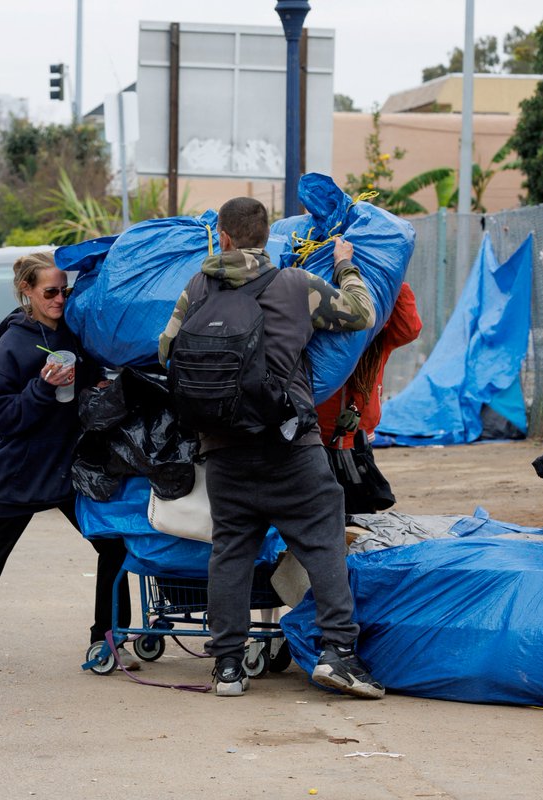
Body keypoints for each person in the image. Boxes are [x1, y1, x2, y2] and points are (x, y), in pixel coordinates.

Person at [158, 197, 385, 699]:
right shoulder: (295, 286)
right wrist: (345, 265)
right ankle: (338, 654)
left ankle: (228, 667)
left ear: (225, 236)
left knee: (231, 552)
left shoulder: (196, 287)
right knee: (322, 542)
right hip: (290, 447)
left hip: (221, 450)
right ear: (266, 237)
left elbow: (165, 349)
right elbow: (361, 314)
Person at [0, 251, 135, 669]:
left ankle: (109, 640)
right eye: (50, 291)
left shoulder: (74, 333)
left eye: (65, 291)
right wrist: (42, 387)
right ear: (26, 291)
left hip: (71, 466)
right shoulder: (13, 342)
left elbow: (90, 386)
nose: (60, 299)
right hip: (24, 466)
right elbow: (4, 417)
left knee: (114, 545)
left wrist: (96, 384)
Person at [317, 283, 422, 515]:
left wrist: (396, 280)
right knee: (318, 509)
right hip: (315, 437)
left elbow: (409, 329)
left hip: (358, 440)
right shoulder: (318, 338)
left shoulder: (377, 339)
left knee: (360, 512)